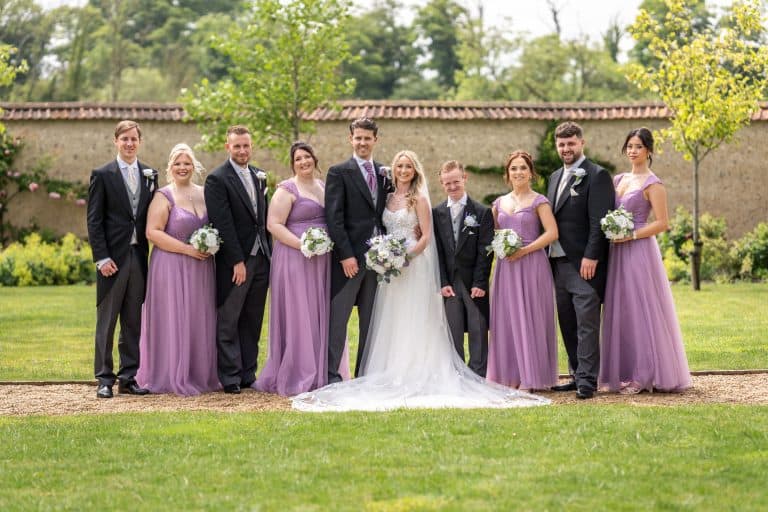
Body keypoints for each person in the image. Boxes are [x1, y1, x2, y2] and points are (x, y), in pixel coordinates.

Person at [292, 150, 550, 411]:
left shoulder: (421, 199)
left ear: (415, 170)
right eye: (399, 166)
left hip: (414, 266)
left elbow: (426, 237)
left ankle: (420, 368)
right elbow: (379, 227)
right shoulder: (387, 198)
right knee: (392, 319)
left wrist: (406, 257)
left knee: (418, 317)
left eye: (408, 166)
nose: (404, 170)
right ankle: (391, 370)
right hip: (390, 270)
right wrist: (385, 256)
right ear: (393, 170)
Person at [600, 128, 692, 394]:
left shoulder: (654, 184)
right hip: (617, 251)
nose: (632, 151)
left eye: (638, 146)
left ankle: (644, 374)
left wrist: (630, 234)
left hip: (639, 251)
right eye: (629, 146)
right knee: (622, 309)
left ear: (649, 151)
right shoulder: (618, 180)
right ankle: (623, 372)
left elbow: (663, 223)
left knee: (641, 309)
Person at [135, 143, 219, 396]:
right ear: (170, 167)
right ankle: (171, 373)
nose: (183, 168)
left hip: (202, 268)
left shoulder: (205, 193)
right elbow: (152, 232)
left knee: (198, 316)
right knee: (174, 316)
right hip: (171, 266)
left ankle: (197, 373)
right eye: (178, 164)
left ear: (194, 166)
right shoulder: (163, 195)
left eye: (187, 163)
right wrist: (188, 250)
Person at [255, 142, 333, 396]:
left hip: (321, 261)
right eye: (298, 159)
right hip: (294, 257)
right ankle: (297, 371)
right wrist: (303, 245)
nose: (303, 162)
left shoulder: (322, 187)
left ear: (315, 159)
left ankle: (320, 371)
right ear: (293, 164)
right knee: (298, 312)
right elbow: (274, 225)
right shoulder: (286, 190)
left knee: (317, 311)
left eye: (307, 157)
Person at [87, 120, 156, 399]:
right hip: (112, 260)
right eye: (124, 139)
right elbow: (94, 220)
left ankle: (129, 377)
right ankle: (104, 378)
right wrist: (101, 257)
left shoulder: (151, 174)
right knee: (107, 321)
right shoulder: (102, 174)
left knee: (132, 321)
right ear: (116, 141)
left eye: (134, 139)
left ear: (139, 142)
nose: (129, 143)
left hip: (139, 257)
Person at [546, 121, 615, 400]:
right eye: (562, 144)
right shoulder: (553, 177)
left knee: (587, 322)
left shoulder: (597, 175)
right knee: (568, 322)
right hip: (556, 263)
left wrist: (591, 256)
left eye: (571, 143)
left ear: (581, 143)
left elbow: (599, 221)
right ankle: (575, 374)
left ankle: (588, 381)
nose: (566, 148)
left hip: (583, 264)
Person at [204, 125, 271, 394]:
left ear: (251, 146)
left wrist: (269, 253)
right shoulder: (217, 179)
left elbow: (262, 219)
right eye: (237, 146)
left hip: (262, 257)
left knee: (252, 319)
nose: (242, 150)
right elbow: (222, 223)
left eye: (246, 145)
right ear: (227, 146)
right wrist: (236, 261)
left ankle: (247, 374)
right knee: (229, 319)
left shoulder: (259, 176)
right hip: (237, 262)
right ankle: (230, 377)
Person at [324, 117, 392, 383]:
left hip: (379, 262)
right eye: (358, 138)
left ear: (376, 140)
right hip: (349, 260)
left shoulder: (385, 173)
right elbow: (334, 217)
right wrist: (346, 255)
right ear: (350, 139)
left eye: (367, 138)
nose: (362, 142)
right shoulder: (338, 172)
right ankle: (332, 376)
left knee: (371, 322)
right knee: (338, 320)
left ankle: (364, 375)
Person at [487, 151, 559, 391]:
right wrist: (501, 246)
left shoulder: (539, 201)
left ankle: (531, 376)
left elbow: (551, 233)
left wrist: (525, 250)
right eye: (513, 168)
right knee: (507, 319)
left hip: (532, 265)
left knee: (531, 316)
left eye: (522, 168)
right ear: (507, 174)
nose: (518, 172)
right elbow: (492, 233)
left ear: (531, 172)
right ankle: (509, 376)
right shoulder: (499, 204)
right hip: (506, 268)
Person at [433, 160, 493, 376]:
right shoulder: (436, 213)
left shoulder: (481, 212)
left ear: (464, 178)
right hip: (450, 282)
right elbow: (437, 252)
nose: (452, 187)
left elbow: (485, 251)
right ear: (441, 183)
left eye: (456, 181)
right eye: (447, 183)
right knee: (453, 330)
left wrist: (480, 282)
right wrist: (442, 282)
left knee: (477, 328)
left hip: (473, 282)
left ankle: (478, 373)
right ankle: (456, 374)